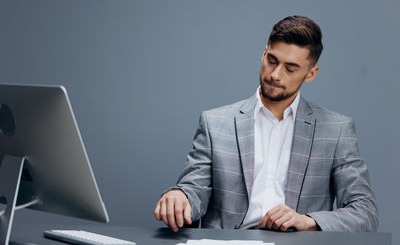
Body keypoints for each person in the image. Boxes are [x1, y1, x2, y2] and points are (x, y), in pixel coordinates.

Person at [154, 15, 378, 233]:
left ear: (311, 74)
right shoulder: (214, 123)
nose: (276, 74)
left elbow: (365, 213)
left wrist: (307, 221)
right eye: (271, 60)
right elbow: (195, 189)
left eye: (290, 68)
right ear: (263, 53)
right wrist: (180, 196)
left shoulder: (337, 130)